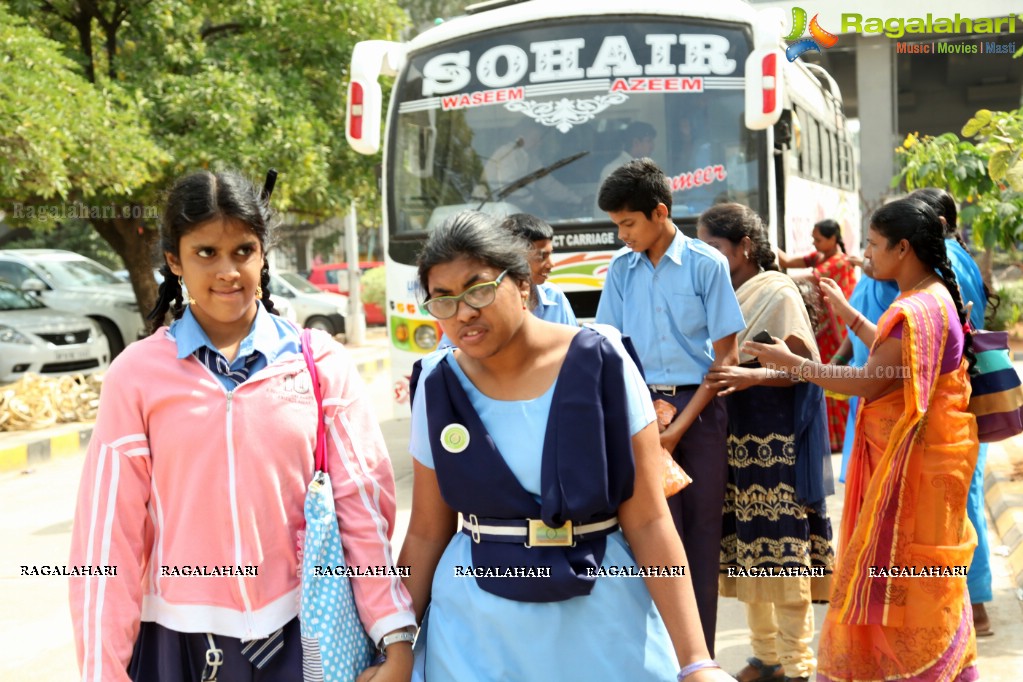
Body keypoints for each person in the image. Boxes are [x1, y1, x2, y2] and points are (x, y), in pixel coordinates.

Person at [68, 170, 416, 682]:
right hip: (179, 645)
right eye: (205, 252)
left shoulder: (319, 363)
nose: (228, 270)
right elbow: (107, 541)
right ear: (174, 261)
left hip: (307, 635)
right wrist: (104, 671)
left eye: (243, 250)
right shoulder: (137, 376)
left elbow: (362, 512)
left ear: (263, 253)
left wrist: (394, 636)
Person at [398, 211, 736, 682]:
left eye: (478, 289)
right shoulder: (437, 384)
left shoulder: (602, 360)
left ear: (520, 284)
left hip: (604, 614)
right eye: (443, 300)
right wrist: (396, 646)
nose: (464, 313)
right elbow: (425, 533)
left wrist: (697, 662)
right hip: (476, 630)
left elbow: (649, 519)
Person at [748, 198, 979, 681]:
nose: (866, 255)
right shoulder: (932, 296)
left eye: (874, 245)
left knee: (905, 576)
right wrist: (851, 315)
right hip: (930, 461)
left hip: (913, 468)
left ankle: (914, 669)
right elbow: (899, 360)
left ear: (903, 247)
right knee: (920, 575)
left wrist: (795, 367)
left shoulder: (916, 306)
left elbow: (871, 381)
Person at [595, 158, 746, 655]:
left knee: (699, 537)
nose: (622, 235)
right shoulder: (620, 270)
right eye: (617, 225)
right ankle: (656, 657)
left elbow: (727, 360)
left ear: (660, 212)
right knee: (647, 537)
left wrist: (678, 427)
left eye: (628, 223)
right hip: (639, 415)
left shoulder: (707, 265)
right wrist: (644, 423)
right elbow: (610, 351)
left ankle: (697, 659)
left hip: (699, 417)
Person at [699, 204, 835, 682]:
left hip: (775, 441)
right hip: (734, 439)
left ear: (744, 248)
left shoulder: (776, 291)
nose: (708, 256)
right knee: (749, 550)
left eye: (715, 247)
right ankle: (765, 658)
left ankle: (799, 665)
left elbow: (802, 369)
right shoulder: (720, 292)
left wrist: (750, 376)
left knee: (783, 550)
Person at [909, 187, 994, 637]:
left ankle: (972, 606)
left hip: (949, 401)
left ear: (936, 224)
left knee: (958, 502)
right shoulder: (962, 256)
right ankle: (972, 603)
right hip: (965, 394)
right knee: (964, 495)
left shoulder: (941, 264)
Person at [777, 219, 858, 452]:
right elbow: (786, 261)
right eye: (813, 239)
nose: (815, 242)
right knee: (821, 379)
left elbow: (811, 278)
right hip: (821, 331)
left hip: (836, 334)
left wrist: (776, 282)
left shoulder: (838, 262)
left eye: (818, 239)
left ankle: (840, 439)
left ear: (833, 239)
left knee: (832, 381)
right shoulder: (819, 256)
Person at [480, 120, 578, 215]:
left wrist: (576, 199)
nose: (539, 144)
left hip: (514, 209)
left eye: (540, 140)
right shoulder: (508, 154)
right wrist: (534, 200)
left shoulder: (531, 158)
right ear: (521, 138)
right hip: (492, 210)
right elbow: (509, 189)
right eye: (535, 139)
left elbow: (549, 185)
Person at [499, 212, 577, 325]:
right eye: (542, 256)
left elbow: (574, 340)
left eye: (551, 254)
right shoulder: (493, 304)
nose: (551, 264)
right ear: (515, 257)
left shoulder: (554, 296)